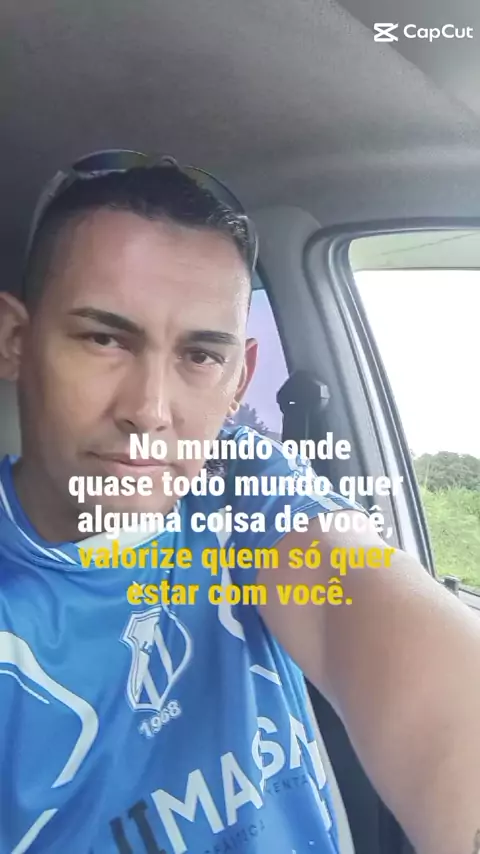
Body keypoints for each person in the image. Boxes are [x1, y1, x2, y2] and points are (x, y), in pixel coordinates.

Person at [0, 150, 478, 854]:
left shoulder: (237, 480)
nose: (150, 410)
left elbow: (359, 596)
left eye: (200, 356)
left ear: (239, 379)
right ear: (15, 340)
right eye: (104, 338)